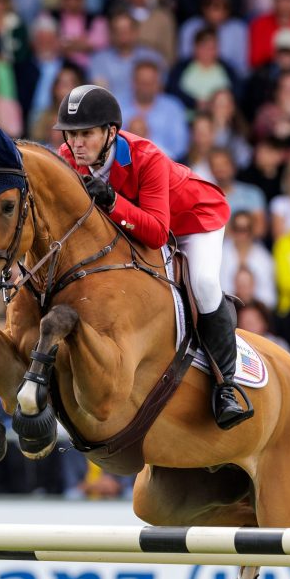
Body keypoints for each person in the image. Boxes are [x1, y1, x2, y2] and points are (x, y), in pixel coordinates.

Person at [54, 84, 249, 428]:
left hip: (192, 222)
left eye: (85, 134)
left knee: (202, 283)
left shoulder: (147, 157)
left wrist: (112, 201)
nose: (76, 144)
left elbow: (159, 232)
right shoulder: (68, 158)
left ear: (111, 132)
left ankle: (226, 388)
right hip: (134, 224)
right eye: (71, 134)